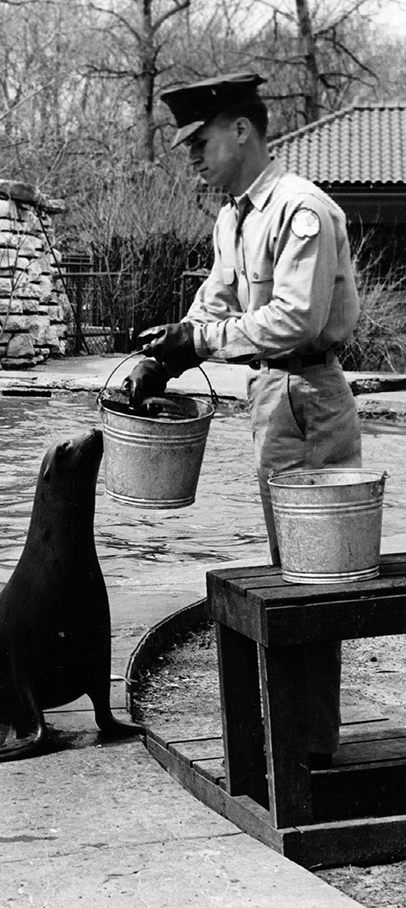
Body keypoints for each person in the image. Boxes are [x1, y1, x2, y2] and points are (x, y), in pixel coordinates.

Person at [124, 72, 362, 767]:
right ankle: (297, 740)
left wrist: (198, 343)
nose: (192, 157)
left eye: (200, 142)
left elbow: (295, 319)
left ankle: (311, 752)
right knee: (294, 574)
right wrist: (164, 357)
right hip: (273, 398)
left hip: (309, 396)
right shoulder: (237, 214)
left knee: (312, 581)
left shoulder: (300, 210)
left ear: (242, 130)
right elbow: (217, 299)